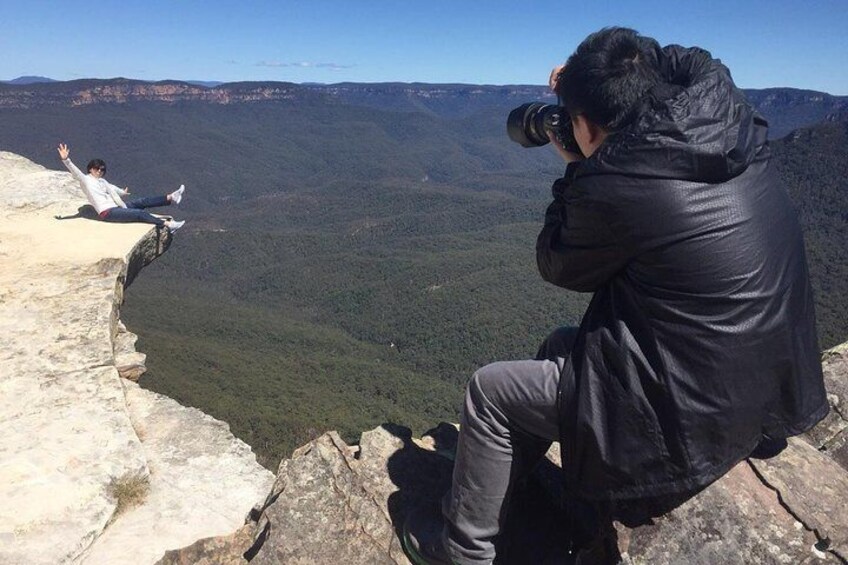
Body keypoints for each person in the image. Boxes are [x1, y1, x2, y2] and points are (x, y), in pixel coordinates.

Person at [403, 27, 829, 564]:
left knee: (491, 393)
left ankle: (460, 553)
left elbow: (556, 263)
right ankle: (516, 486)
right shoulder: (728, 116)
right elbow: (692, 59)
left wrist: (578, 168)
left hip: (702, 411)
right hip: (773, 385)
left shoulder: (621, 179)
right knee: (562, 345)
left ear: (585, 125)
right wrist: (591, 77)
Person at [57, 143, 186, 231]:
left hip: (116, 206)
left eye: (102, 169)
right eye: (97, 169)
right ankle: (167, 224)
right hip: (107, 213)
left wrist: (122, 192)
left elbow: (113, 189)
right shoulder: (85, 180)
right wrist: (66, 160)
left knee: (142, 202)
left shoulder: (102, 182)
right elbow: (75, 172)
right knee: (138, 213)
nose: (100, 171)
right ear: (91, 169)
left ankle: (170, 197)